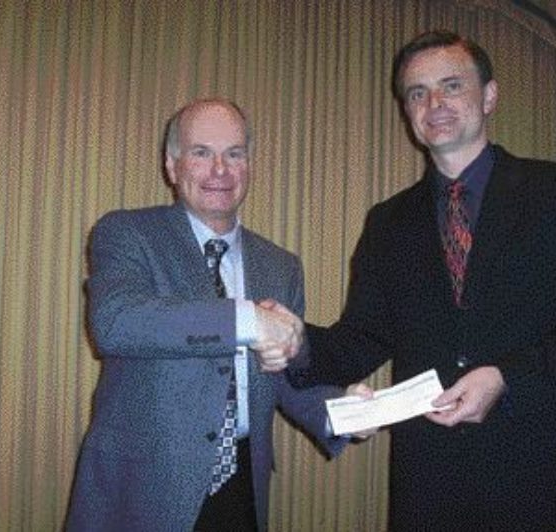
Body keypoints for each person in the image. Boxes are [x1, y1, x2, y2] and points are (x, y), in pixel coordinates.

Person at [294, 30, 556, 530]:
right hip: (428, 482)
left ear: (489, 96)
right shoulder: (387, 222)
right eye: (417, 92)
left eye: (452, 85)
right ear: (407, 112)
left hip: (537, 475)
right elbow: (360, 341)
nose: (435, 103)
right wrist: (292, 342)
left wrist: (506, 378)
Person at [66, 98, 357, 532]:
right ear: (172, 165)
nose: (220, 170)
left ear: (249, 164)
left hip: (241, 487)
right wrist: (247, 319)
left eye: (234, 153)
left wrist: (344, 412)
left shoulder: (281, 265)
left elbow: (281, 377)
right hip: (140, 487)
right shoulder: (127, 233)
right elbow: (115, 321)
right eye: (201, 153)